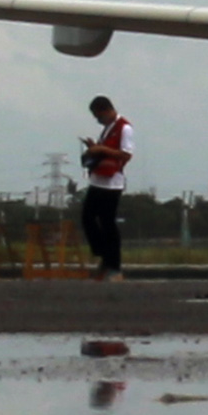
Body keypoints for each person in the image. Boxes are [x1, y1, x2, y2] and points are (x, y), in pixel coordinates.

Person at [78, 95, 135, 278]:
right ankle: (104, 254)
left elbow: (125, 155)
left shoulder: (124, 128)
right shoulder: (108, 129)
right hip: (98, 180)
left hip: (112, 183)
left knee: (108, 223)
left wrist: (101, 150)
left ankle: (113, 263)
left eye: (98, 116)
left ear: (106, 110)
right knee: (88, 218)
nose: (98, 120)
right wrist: (95, 148)